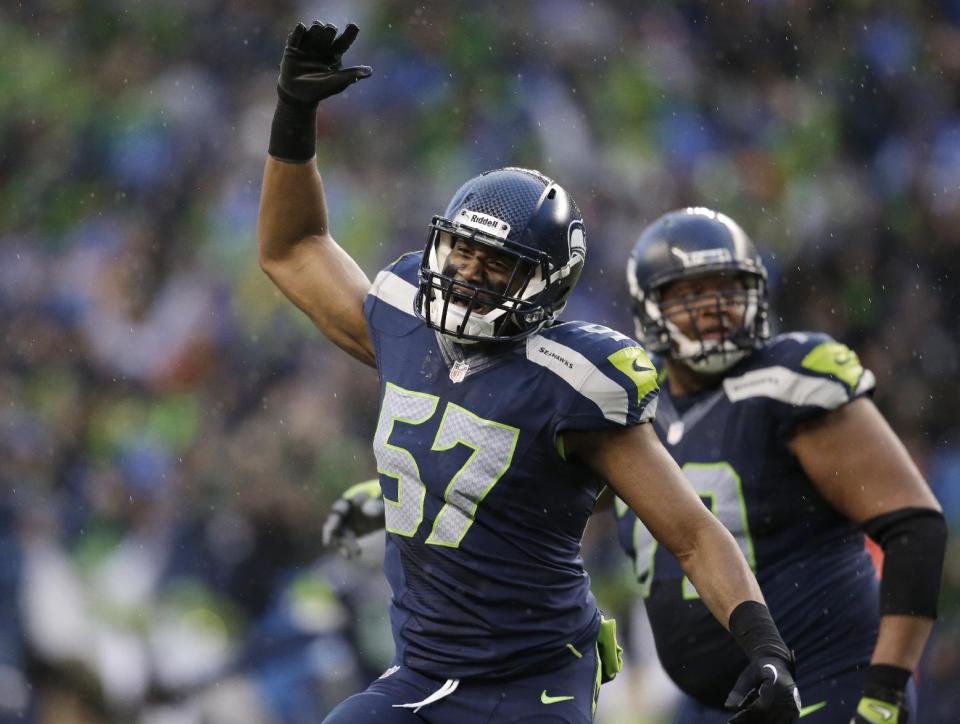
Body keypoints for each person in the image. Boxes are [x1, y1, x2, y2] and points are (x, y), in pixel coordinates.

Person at [259, 21, 801, 724]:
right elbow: (293, 247)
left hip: (532, 685)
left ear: (545, 284)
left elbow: (692, 531)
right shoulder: (401, 322)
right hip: (423, 670)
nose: (466, 275)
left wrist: (766, 648)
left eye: (496, 265)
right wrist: (295, 114)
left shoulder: (570, 382)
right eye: (460, 252)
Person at [615, 207, 947, 724]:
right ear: (649, 307)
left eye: (728, 288)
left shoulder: (787, 379)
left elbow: (915, 527)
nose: (714, 309)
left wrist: (886, 691)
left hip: (828, 683)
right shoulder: (630, 406)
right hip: (714, 705)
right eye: (690, 294)